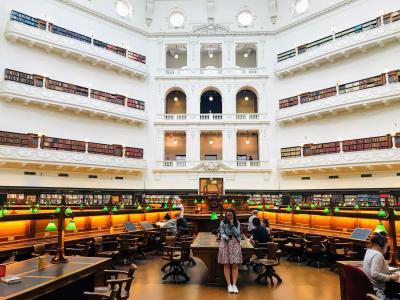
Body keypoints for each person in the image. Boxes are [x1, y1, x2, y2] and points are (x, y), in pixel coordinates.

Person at [363, 232, 400, 299]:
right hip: (379, 292)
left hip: (371, 288)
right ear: (380, 245)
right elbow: (374, 274)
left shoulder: (369, 251)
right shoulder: (377, 255)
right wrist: (390, 277)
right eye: (386, 246)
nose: (386, 249)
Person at [218, 208, 242, 294]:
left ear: (233, 215)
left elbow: (238, 234)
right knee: (226, 264)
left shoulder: (237, 223)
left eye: (231, 215)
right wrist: (226, 238)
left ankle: (234, 284)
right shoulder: (222, 222)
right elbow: (222, 233)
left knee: (235, 264)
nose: (229, 217)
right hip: (225, 244)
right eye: (227, 215)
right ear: (225, 215)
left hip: (235, 243)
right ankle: (229, 284)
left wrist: (232, 225)